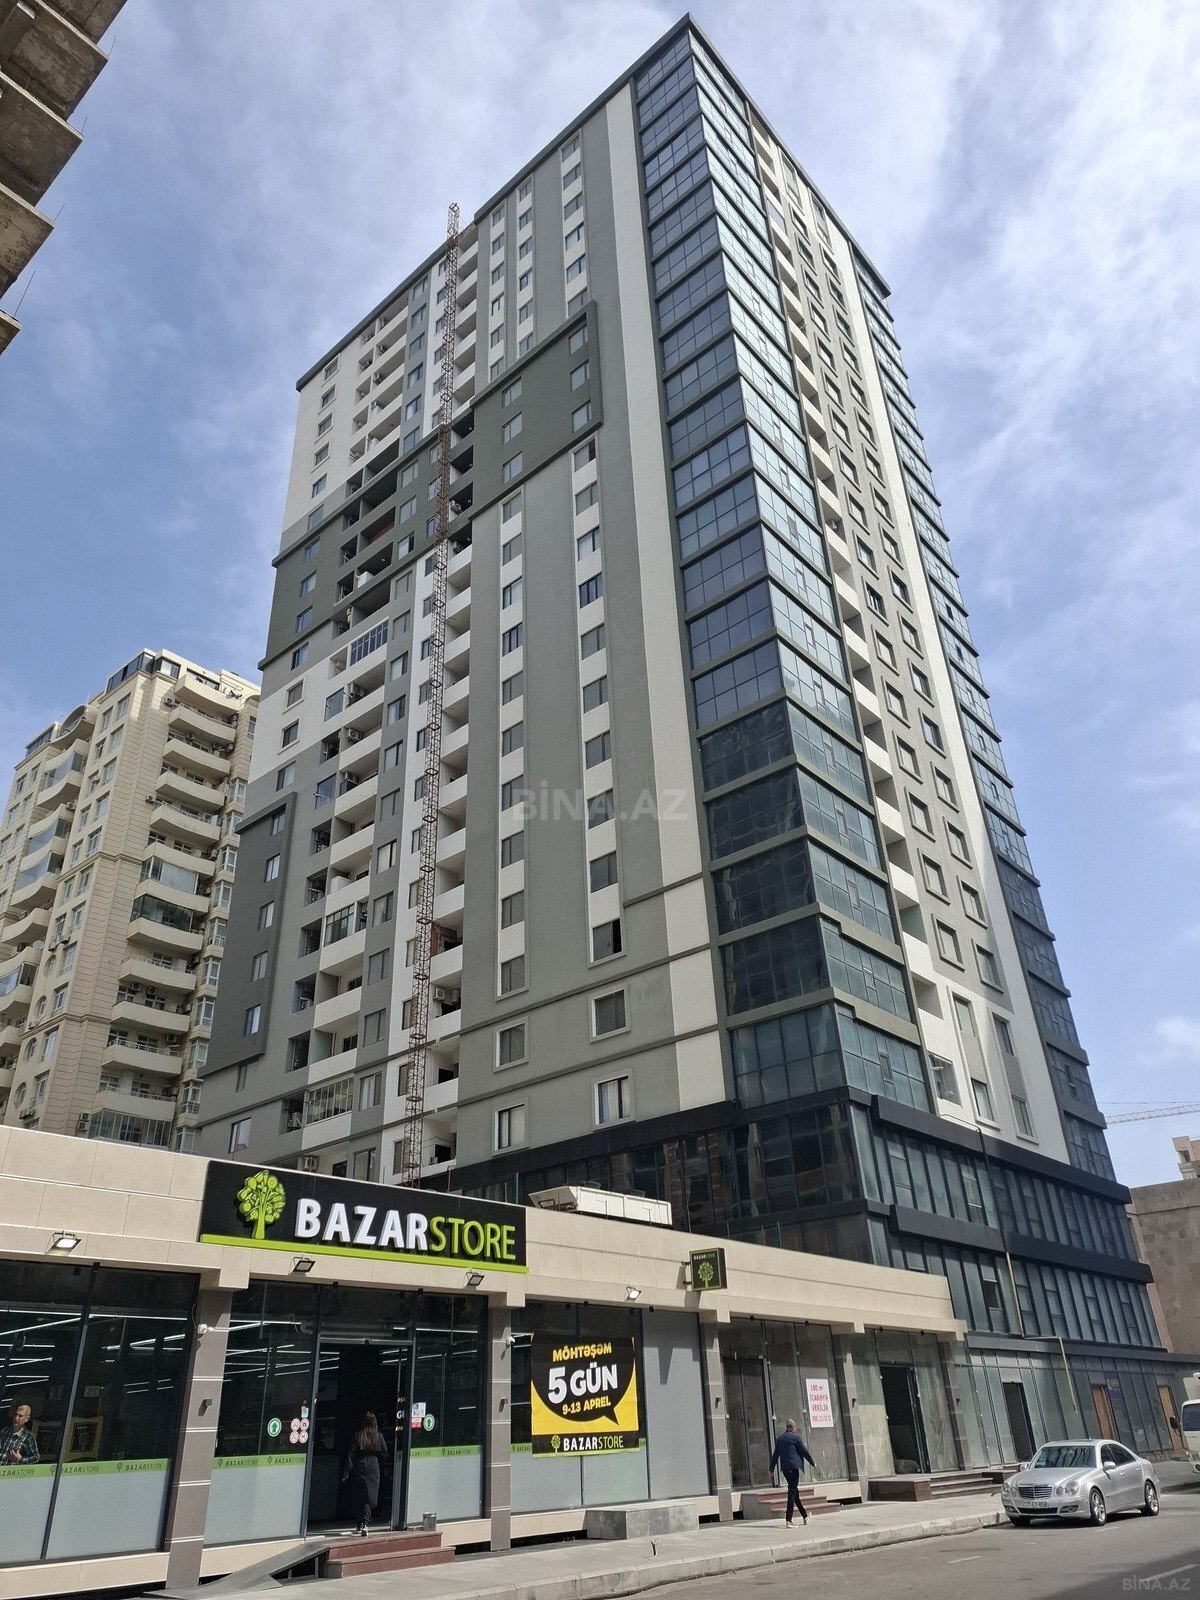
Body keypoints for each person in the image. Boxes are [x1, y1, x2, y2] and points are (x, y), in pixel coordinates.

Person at [342, 1412, 385, 1536]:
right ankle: (365, 1522)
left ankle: (359, 1523)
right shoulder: (379, 1436)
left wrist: (346, 1472)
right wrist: (379, 1464)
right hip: (373, 1466)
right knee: (369, 1496)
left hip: (360, 1465)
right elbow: (384, 1452)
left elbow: (351, 1454)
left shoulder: (358, 1435)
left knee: (357, 1495)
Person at [769, 1417, 816, 1527]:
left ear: (787, 1427)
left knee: (795, 1493)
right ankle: (788, 1520)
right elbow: (804, 1451)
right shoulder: (796, 1438)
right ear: (793, 1427)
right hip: (793, 1468)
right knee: (792, 1492)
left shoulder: (780, 1439)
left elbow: (775, 1455)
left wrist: (771, 1468)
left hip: (785, 1469)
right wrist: (812, 1462)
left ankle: (805, 1515)